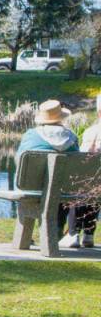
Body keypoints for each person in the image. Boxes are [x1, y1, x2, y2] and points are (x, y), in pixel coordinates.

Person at [15, 100, 81, 247]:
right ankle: (56, 233)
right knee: (61, 189)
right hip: (63, 192)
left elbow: (19, 162)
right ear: (60, 118)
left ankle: (26, 237)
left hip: (30, 188)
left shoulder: (31, 135)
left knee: (25, 184)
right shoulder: (72, 138)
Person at [62, 94, 101, 248]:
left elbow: (82, 164)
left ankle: (73, 233)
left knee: (82, 185)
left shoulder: (92, 132)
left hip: (90, 184)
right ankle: (89, 234)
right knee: (93, 189)